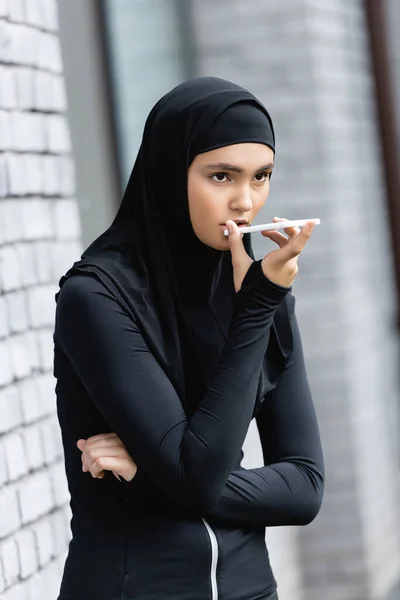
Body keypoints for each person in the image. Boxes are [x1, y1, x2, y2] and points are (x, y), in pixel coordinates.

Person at [54, 76, 324, 600]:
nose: (245, 202)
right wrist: (256, 311)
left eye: (261, 176)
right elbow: (196, 478)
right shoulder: (98, 298)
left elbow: (305, 489)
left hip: (252, 590)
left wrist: (155, 473)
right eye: (221, 176)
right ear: (171, 173)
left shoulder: (256, 292)